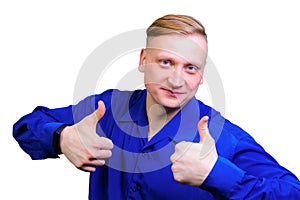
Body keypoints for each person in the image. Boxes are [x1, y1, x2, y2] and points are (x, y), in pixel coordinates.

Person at [13, 14, 300, 199]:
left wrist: (217, 174)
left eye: (190, 67)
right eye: (166, 62)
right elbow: (27, 125)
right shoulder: (108, 108)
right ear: (142, 61)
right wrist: (61, 138)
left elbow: (292, 193)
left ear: (201, 77)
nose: (176, 79)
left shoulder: (223, 137)